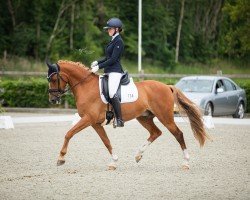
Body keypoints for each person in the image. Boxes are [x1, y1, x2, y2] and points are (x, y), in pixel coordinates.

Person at [90, 17, 125, 127]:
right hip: (108, 71)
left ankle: (119, 119)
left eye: (110, 29)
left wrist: (99, 67)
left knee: (111, 93)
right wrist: (97, 62)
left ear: (117, 29)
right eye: (108, 29)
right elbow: (107, 58)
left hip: (115, 71)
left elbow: (113, 60)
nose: (108, 31)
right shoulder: (113, 40)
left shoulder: (119, 41)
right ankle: (108, 115)